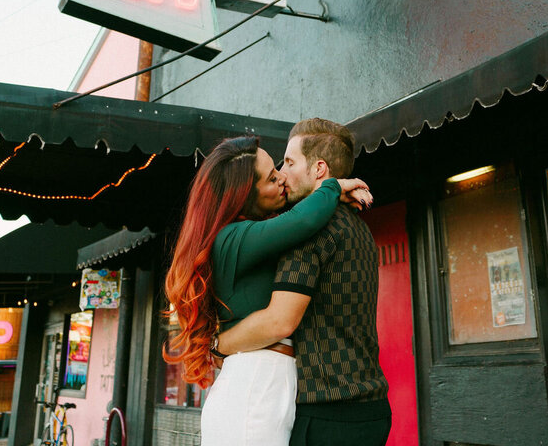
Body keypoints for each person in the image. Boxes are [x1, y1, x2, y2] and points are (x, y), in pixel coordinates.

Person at [163, 136, 371, 445]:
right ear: (244, 197)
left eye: (279, 169)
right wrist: (332, 187)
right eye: (272, 178)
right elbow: (304, 220)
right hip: (253, 389)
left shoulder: (250, 235)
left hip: (264, 382)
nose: (282, 178)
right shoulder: (232, 238)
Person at [217, 118, 391, 446]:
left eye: (290, 162)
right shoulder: (359, 228)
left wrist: (218, 344)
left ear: (319, 169)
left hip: (329, 412)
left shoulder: (308, 232)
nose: (282, 173)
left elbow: (280, 321)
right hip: (372, 407)